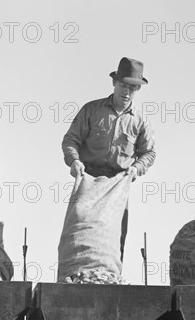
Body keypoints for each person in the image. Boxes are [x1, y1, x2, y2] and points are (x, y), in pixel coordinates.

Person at [61, 57, 156, 259]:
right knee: (79, 230)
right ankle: (75, 278)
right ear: (114, 83)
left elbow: (149, 153)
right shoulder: (91, 110)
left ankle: (109, 280)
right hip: (88, 180)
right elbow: (71, 140)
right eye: (123, 85)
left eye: (133, 88)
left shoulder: (140, 122)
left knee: (115, 235)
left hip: (118, 184)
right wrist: (74, 160)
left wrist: (136, 168)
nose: (127, 92)